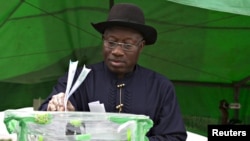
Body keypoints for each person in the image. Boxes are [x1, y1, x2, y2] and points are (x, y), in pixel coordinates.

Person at [39, 3, 187, 141]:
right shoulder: (78, 79)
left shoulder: (160, 87)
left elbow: (174, 136)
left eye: (127, 45)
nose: (117, 51)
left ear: (141, 47)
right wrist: (61, 111)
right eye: (111, 42)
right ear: (103, 40)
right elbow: (43, 119)